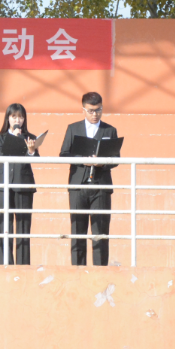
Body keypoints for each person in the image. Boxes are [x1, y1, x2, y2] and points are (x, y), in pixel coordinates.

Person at [59, 92, 119, 266]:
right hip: (78, 186)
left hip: (101, 187)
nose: (95, 114)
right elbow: (63, 154)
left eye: (98, 110)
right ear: (83, 110)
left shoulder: (110, 130)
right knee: (78, 231)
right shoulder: (73, 128)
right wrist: (82, 159)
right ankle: (78, 271)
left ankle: (100, 272)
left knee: (100, 232)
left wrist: (102, 163)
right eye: (91, 111)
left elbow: (116, 159)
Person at [0, 104, 39, 265]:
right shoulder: (0, 138)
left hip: (23, 185)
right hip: (3, 185)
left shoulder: (30, 138)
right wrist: (15, 139)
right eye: (14, 117)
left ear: (24, 119)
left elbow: (36, 158)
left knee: (23, 226)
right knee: (4, 226)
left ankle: (23, 265)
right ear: (8, 118)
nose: (17, 120)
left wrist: (31, 151)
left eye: (20, 117)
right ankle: (5, 263)